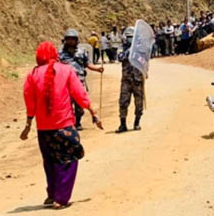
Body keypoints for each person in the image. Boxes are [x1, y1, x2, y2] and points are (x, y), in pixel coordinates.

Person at [21, 42, 102, 209]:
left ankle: (52, 193)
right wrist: (93, 112)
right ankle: (61, 198)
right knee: (68, 159)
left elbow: (30, 101)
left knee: (50, 161)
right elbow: (79, 94)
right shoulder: (66, 70)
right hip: (64, 126)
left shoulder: (33, 74)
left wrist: (28, 124)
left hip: (43, 129)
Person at [58, 29, 104, 129]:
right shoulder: (60, 53)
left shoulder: (82, 52)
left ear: (76, 40)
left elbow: (88, 64)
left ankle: (78, 122)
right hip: (64, 84)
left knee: (80, 104)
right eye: (68, 39)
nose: (70, 41)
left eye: (72, 39)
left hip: (79, 82)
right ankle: (69, 123)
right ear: (65, 40)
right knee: (66, 105)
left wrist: (97, 69)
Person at [116, 34, 144, 133]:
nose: (131, 39)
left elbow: (144, 61)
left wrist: (144, 71)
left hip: (137, 80)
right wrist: (129, 51)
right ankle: (123, 124)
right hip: (126, 80)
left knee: (139, 102)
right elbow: (120, 57)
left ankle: (137, 123)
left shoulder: (140, 49)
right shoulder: (122, 49)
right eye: (129, 37)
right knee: (123, 102)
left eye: (132, 37)